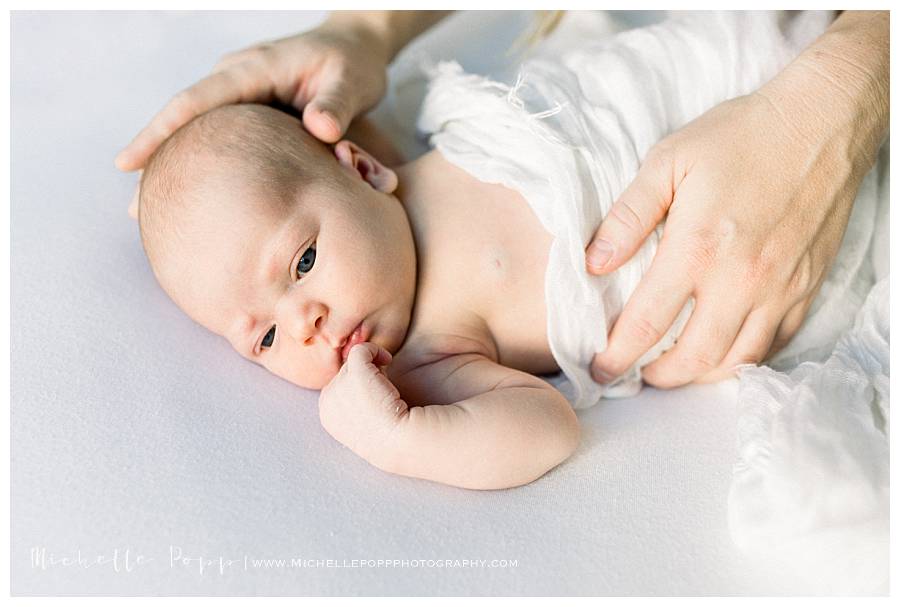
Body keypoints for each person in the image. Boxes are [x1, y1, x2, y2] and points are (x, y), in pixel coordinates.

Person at [132, 12, 886, 490]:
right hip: (754, 243)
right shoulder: (427, 358)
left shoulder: (408, 157)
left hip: (702, 82)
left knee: (777, 37)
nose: (305, 324)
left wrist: (360, 27)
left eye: (301, 263)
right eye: (263, 337)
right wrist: (403, 438)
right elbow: (546, 429)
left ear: (362, 166)